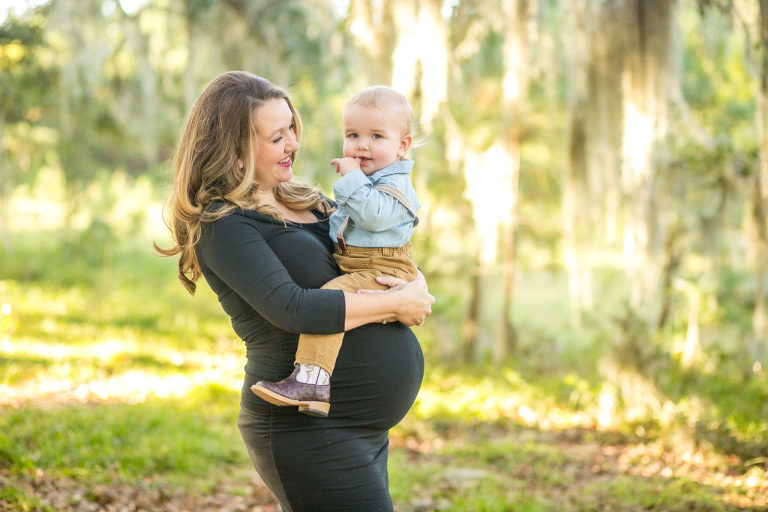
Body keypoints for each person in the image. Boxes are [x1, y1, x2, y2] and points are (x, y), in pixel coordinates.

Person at [155, 71, 434, 512]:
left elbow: (374, 254)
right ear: (236, 151)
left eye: (291, 129)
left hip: (359, 428)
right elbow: (293, 308)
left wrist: (412, 285)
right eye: (275, 137)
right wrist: (395, 302)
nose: (293, 145)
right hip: (304, 432)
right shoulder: (224, 225)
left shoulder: (309, 200)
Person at [250, 86, 421, 418]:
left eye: (376, 136)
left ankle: (312, 379)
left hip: (381, 265)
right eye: (352, 134)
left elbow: (373, 217)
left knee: (331, 299)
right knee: (332, 301)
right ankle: (312, 380)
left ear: (402, 146)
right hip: (368, 264)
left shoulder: (393, 184)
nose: (362, 144)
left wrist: (352, 180)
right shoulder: (367, 182)